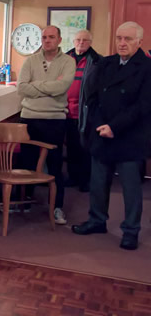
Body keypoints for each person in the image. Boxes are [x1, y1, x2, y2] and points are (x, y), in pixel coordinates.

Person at [72, 21, 151, 251]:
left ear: (139, 42)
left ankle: (131, 231)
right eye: (119, 38)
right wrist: (99, 125)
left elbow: (143, 106)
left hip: (129, 136)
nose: (122, 43)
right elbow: (92, 96)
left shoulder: (146, 68)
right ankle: (97, 221)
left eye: (127, 39)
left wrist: (114, 126)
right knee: (98, 182)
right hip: (102, 132)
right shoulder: (106, 63)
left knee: (131, 188)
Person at [17, 25, 75, 225]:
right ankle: (24, 202)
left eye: (51, 37)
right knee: (27, 163)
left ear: (59, 40)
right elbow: (22, 87)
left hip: (55, 120)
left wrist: (37, 85)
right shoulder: (31, 60)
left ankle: (57, 207)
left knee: (55, 166)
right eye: (44, 37)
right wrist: (50, 87)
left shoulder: (68, 61)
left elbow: (63, 86)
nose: (47, 40)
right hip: (29, 118)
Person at [65, 30, 102, 192]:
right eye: (78, 40)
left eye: (85, 40)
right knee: (72, 147)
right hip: (64, 111)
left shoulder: (97, 61)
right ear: (73, 41)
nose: (81, 43)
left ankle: (85, 181)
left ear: (90, 42)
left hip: (86, 112)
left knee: (85, 148)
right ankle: (73, 177)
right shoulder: (64, 59)